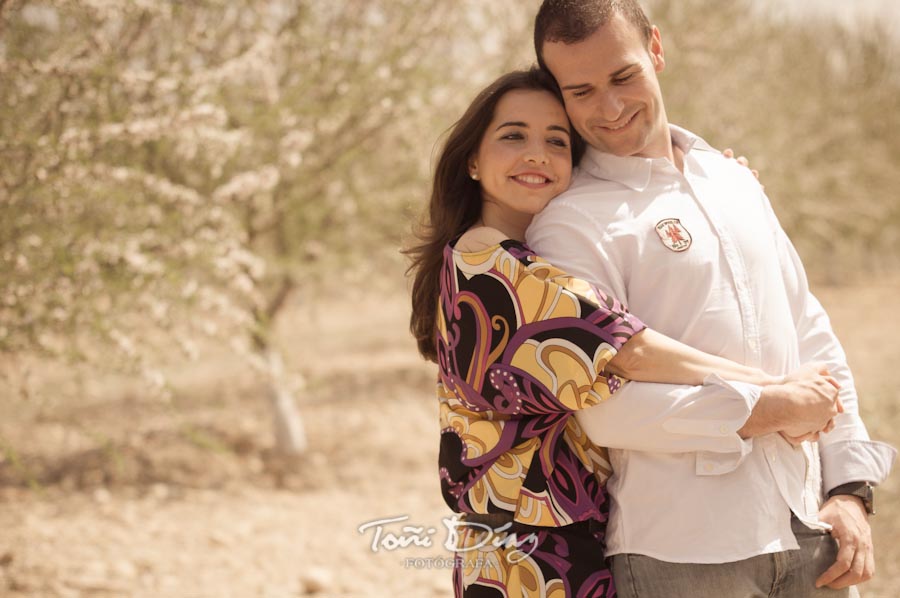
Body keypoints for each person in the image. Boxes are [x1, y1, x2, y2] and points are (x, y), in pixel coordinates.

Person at [406, 67, 847, 597]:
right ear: (472, 160)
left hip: (537, 545)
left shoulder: (490, 256)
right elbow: (631, 350)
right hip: (535, 559)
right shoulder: (495, 268)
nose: (537, 154)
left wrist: (699, 187)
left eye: (557, 140)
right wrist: (776, 393)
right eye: (513, 135)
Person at [527, 1, 897, 596]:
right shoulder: (568, 226)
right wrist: (767, 408)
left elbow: (811, 330)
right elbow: (605, 409)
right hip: (684, 554)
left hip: (811, 531)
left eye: (623, 77)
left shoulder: (732, 179)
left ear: (656, 50)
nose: (612, 107)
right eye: (582, 91)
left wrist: (851, 491)